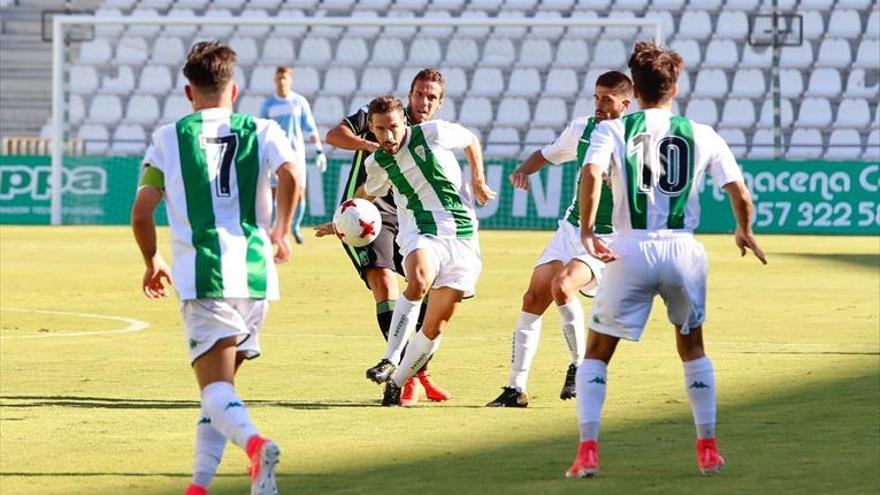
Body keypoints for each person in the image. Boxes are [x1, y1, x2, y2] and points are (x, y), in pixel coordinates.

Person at [567, 41, 767, 478]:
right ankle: (708, 448)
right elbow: (740, 193)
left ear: (633, 88)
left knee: (598, 352)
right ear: (673, 87)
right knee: (692, 347)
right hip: (682, 248)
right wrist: (744, 230)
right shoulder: (703, 133)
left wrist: (585, 229)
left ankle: (587, 453)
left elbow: (590, 173)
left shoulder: (612, 129)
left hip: (629, 246)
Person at [131, 41, 302, 495]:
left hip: (203, 275)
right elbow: (293, 174)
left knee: (214, 391)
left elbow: (142, 212)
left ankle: (256, 446)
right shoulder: (262, 129)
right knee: (221, 390)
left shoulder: (169, 137)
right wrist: (282, 231)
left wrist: (153, 261)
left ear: (190, 93)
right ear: (235, 89)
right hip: (256, 276)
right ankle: (199, 485)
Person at [486, 71, 633, 408]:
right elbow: (549, 152)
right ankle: (515, 388)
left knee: (563, 286)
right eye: (596, 97)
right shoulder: (582, 128)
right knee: (532, 299)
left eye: (606, 99)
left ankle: (580, 367)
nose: (598, 104)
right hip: (570, 229)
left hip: (608, 238)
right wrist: (524, 169)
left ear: (625, 103)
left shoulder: (634, 138)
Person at [317, 69, 452, 406]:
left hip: (411, 218)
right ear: (410, 94)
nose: (423, 101)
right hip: (368, 213)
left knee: (423, 291)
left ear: (439, 103)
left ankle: (418, 370)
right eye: (419, 94)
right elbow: (334, 135)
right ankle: (402, 376)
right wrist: (371, 144)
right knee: (385, 283)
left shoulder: (430, 135)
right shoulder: (381, 116)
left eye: (431, 97)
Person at [357, 95, 495, 407]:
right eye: (380, 130)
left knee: (434, 328)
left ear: (404, 121)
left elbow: (471, 140)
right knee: (418, 280)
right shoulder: (377, 162)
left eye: (393, 127)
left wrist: (478, 179)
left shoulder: (432, 133)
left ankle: (397, 381)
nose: (388, 136)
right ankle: (389, 358)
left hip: (461, 236)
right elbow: (368, 192)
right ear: (372, 129)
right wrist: (344, 216)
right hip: (420, 233)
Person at [261, 66, 325, 244]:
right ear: (275, 81)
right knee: (274, 192)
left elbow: (310, 127)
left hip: (296, 153)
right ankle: (276, 226)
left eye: (284, 78)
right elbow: (263, 130)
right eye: (278, 78)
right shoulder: (268, 104)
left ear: (290, 80)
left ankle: (295, 227)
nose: (281, 82)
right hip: (275, 153)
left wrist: (319, 151)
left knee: (300, 192)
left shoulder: (299, 102)